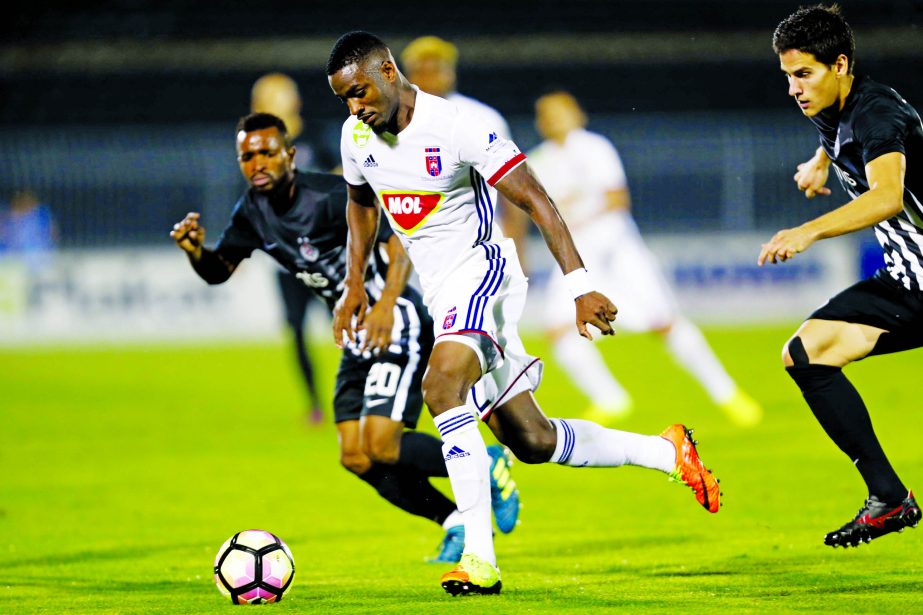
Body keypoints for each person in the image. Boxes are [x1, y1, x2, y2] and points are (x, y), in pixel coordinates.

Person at [327, 31, 722, 596]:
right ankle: (665, 451)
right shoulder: (355, 135)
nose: (354, 106)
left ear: (388, 71)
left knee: (441, 387)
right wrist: (353, 286)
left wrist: (580, 286)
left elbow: (536, 199)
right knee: (532, 441)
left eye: (360, 91)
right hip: (445, 297)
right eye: (344, 98)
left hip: (485, 273)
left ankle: (479, 557)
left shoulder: (459, 126)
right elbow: (361, 206)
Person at [170, 112, 519, 563]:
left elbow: (397, 243)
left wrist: (387, 305)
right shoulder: (251, 213)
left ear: (289, 156)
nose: (257, 163)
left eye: (266, 153)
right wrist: (197, 251)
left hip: (396, 322)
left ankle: (488, 463)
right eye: (247, 156)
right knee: (355, 455)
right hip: (355, 335)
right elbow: (220, 271)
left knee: (381, 443)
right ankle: (453, 521)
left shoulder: (328, 197)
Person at [759, 4, 922, 548]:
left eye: (803, 74)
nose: (794, 90)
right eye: (787, 76)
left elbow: (887, 195)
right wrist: (821, 162)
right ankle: (889, 499)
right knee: (807, 353)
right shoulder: (832, 106)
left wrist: (810, 231)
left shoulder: (877, 113)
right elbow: (839, 135)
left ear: (841, 65)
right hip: (910, 283)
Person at [527, 91, 763, 428]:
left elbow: (617, 200)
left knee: (663, 321)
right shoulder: (539, 160)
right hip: (575, 253)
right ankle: (610, 400)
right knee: (556, 328)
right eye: (546, 114)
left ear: (577, 114)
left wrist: (576, 216)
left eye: (559, 111)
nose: (553, 119)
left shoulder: (595, 147)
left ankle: (728, 394)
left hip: (617, 248)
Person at [399, 35, 530, 259]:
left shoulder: (481, 117)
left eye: (435, 69)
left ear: (450, 73)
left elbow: (514, 189)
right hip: (414, 249)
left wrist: (519, 248)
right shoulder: (390, 122)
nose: (428, 78)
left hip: (478, 245)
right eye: (420, 70)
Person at [251, 73, 324, 424]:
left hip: (327, 255)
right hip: (286, 261)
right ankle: (314, 404)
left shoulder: (314, 136)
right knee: (296, 329)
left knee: (352, 329)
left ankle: (364, 394)